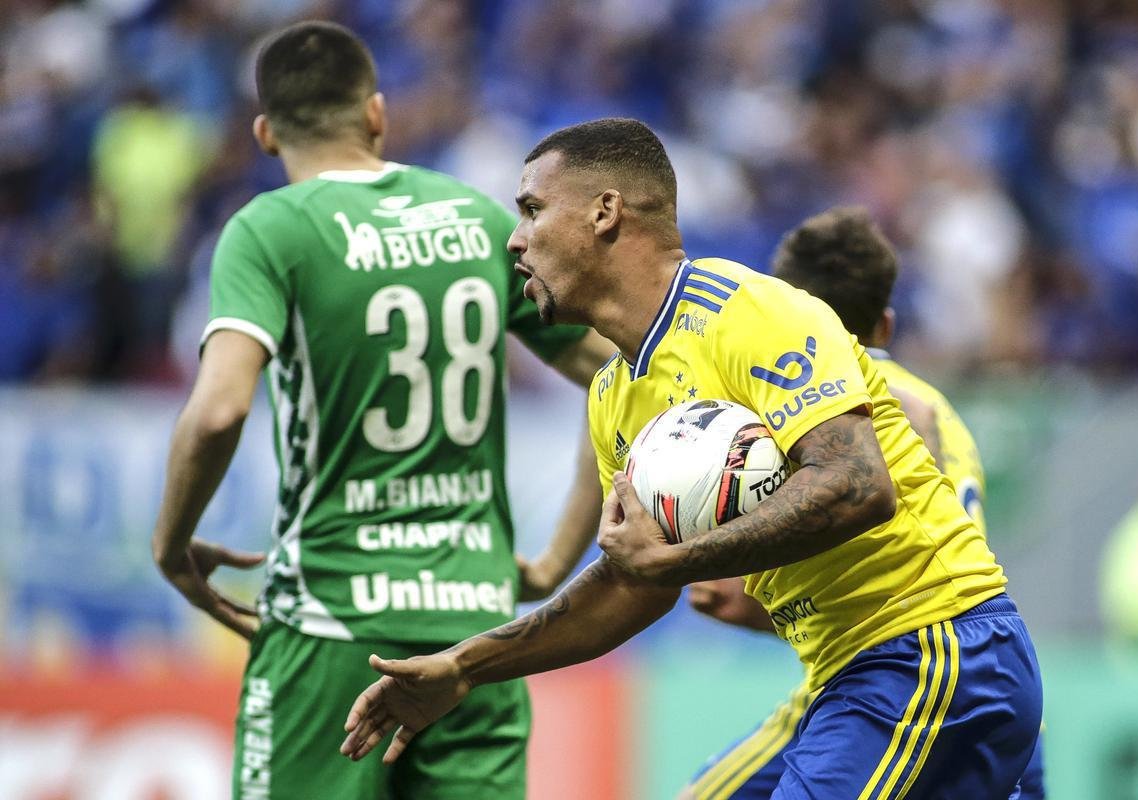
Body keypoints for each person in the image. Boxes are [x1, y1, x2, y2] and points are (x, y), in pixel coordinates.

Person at [340, 118, 1043, 799]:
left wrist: (673, 563)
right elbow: (630, 584)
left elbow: (858, 484)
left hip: (935, 649)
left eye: (530, 210)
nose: (515, 241)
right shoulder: (614, 394)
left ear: (604, 212)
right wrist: (466, 667)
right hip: (849, 672)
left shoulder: (751, 312)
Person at [149, 22, 612, 800]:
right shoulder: (477, 219)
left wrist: (169, 547)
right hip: (476, 629)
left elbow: (220, 408)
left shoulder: (269, 230)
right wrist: (561, 555)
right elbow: (618, 372)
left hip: (332, 623)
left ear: (265, 134)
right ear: (376, 114)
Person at [683, 207, 1046, 799]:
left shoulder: (827, 411)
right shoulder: (936, 407)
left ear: (784, 307)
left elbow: (720, 596)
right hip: (986, 674)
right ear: (886, 324)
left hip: (897, 672)